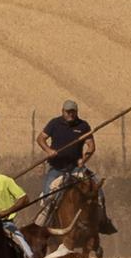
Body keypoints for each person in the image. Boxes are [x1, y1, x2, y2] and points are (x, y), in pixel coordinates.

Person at [35, 100, 115, 233]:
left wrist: (84, 159)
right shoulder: (54, 123)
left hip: (76, 169)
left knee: (98, 191)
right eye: (68, 112)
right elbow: (40, 139)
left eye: (73, 112)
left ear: (76, 112)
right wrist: (49, 150)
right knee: (47, 196)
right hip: (57, 169)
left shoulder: (83, 126)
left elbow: (91, 146)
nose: (71, 114)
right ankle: (42, 225)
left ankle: (103, 221)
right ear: (63, 111)